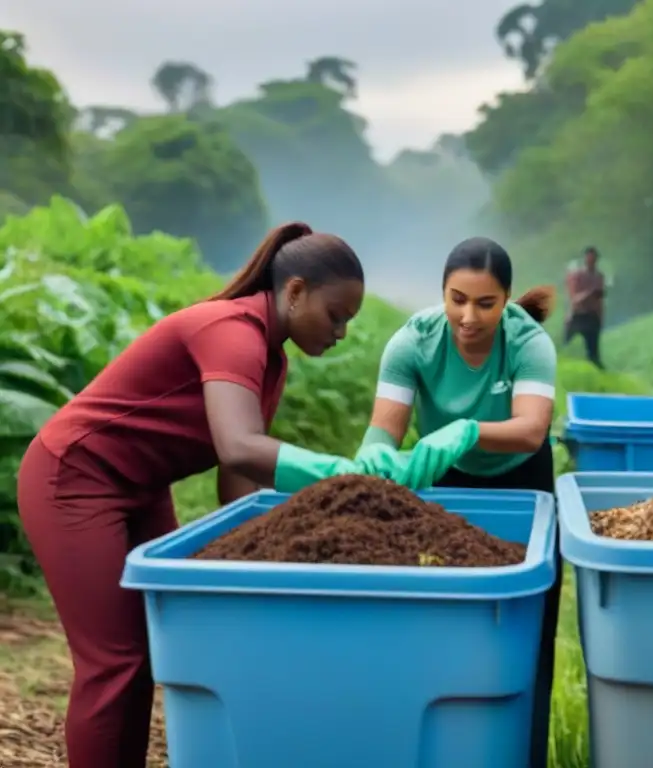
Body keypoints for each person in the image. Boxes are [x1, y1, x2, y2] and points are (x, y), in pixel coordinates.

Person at [15, 222, 433, 768]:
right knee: (114, 661)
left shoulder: (271, 358)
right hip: (74, 477)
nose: (341, 333)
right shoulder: (231, 330)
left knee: (153, 648)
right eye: (336, 316)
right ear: (295, 290)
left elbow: (237, 481)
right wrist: (342, 475)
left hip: (140, 488)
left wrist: (255, 554)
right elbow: (239, 447)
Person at [358, 236, 559, 768]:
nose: (468, 316)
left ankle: (522, 751)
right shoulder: (414, 342)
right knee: (444, 616)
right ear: (442, 293)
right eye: (456, 299)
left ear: (507, 299)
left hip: (523, 478)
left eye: (486, 303)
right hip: (446, 479)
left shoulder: (527, 342)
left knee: (527, 629)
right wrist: (374, 461)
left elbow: (531, 429)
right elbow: (384, 429)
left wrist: (466, 429)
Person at [564, 245, 605, 369]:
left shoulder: (599, 277)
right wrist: (590, 293)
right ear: (585, 259)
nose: (592, 262)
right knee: (567, 350)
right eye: (590, 259)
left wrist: (600, 317)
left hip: (592, 317)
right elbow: (574, 299)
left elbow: (600, 300)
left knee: (593, 355)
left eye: (594, 259)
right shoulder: (577, 276)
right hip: (578, 316)